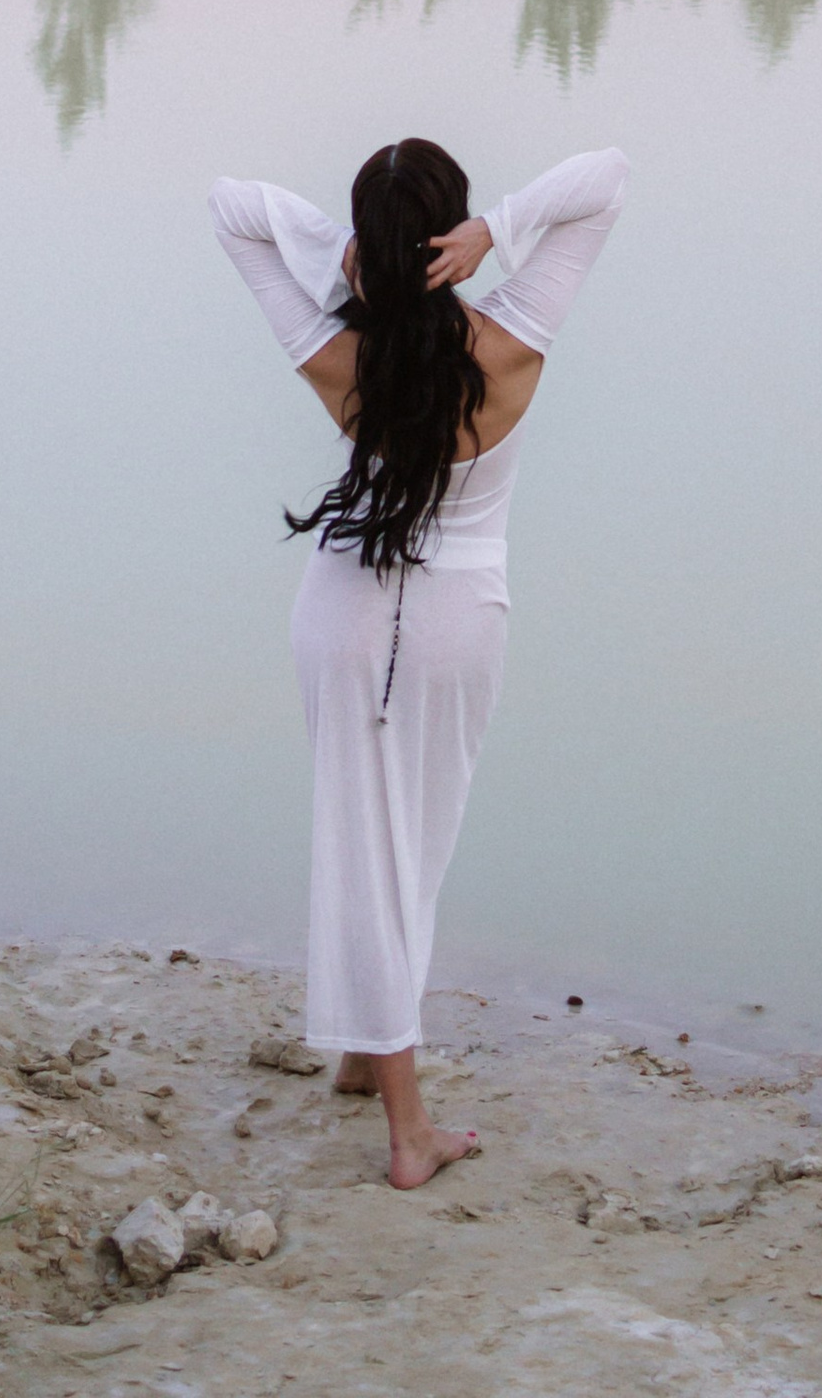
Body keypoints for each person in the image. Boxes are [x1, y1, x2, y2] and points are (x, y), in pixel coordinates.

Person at [209, 137, 628, 1187]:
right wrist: (497, 234)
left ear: (371, 245)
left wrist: (347, 257)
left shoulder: (333, 353)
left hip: (339, 612)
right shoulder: (509, 341)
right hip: (456, 621)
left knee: (365, 836)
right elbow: (605, 179)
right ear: (447, 235)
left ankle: (364, 1052)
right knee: (406, 851)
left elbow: (234, 206)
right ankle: (409, 1136)